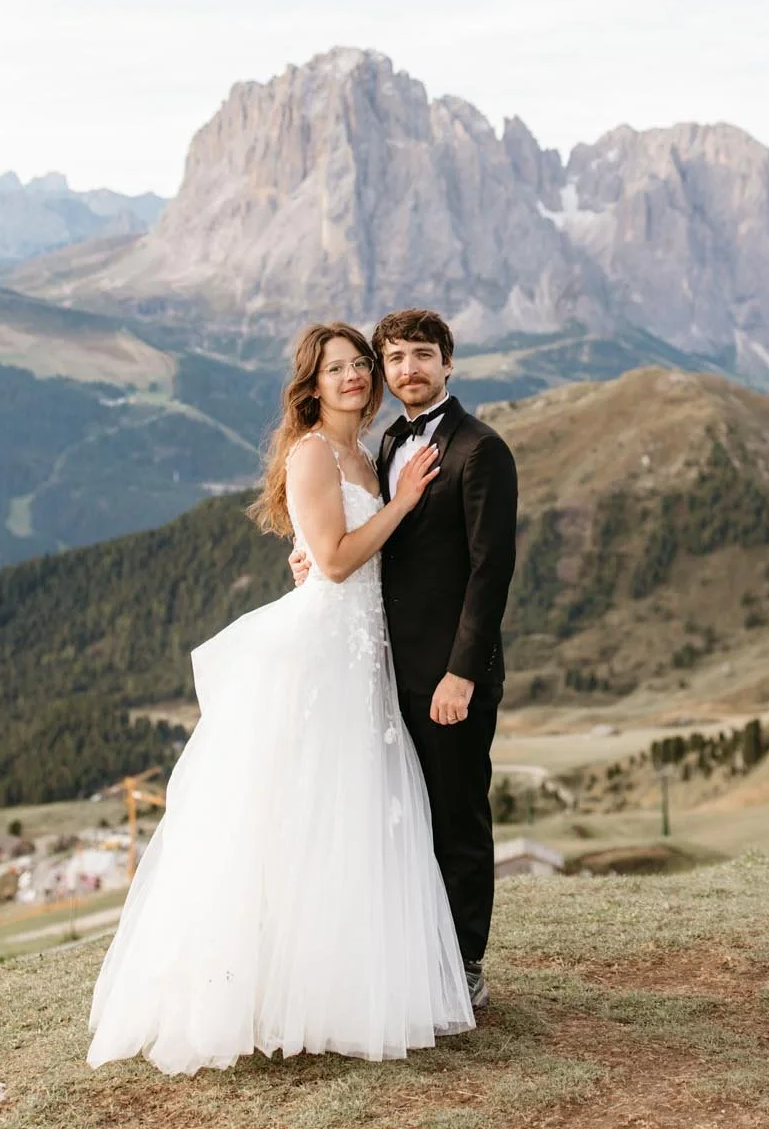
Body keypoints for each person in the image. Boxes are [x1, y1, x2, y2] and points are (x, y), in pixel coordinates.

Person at [87, 322, 473, 1076]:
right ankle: (258, 994)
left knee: (349, 817)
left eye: (361, 364)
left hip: (364, 654)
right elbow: (330, 560)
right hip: (321, 650)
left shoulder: (366, 452)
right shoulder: (311, 452)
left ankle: (337, 991)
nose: (356, 376)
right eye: (338, 369)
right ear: (313, 385)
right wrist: (402, 504)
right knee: (295, 815)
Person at [290, 308, 518, 1012]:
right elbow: (368, 543)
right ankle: (416, 962)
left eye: (422, 355)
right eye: (393, 358)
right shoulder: (384, 441)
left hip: (448, 676)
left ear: (448, 363)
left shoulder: (481, 451)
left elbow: (491, 572)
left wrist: (461, 673)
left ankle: (465, 965)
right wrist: (313, 556)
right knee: (401, 820)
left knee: (456, 821)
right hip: (381, 668)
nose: (406, 370)